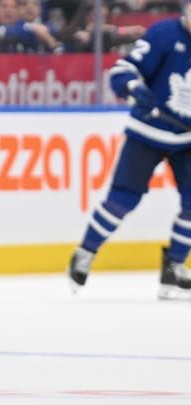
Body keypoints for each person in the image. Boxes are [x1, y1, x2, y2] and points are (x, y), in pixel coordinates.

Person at [67, 0, 191, 300]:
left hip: (186, 139)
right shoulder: (163, 33)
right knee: (123, 199)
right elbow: (123, 70)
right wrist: (134, 88)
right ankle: (86, 251)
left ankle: (174, 267)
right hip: (147, 132)